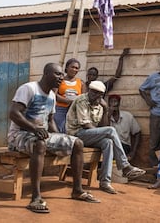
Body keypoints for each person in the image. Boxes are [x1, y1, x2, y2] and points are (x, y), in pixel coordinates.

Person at [8, 63, 99, 214]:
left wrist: (59, 136)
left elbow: (50, 121)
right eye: (57, 74)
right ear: (46, 74)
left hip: (41, 134)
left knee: (77, 143)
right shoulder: (29, 89)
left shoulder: (51, 95)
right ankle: (36, 198)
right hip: (20, 135)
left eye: (61, 75)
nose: (61, 77)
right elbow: (13, 113)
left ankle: (77, 190)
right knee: (40, 144)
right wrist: (34, 129)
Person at [66, 80, 146, 195]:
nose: (93, 95)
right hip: (76, 134)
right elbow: (85, 125)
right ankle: (125, 166)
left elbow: (103, 126)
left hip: (88, 136)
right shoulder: (82, 100)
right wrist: (101, 132)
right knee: (111, 130)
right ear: (89, 91)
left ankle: (105, 182)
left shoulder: (100, 106)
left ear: (101, 95)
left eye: (97, 93)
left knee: (108, 142)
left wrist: (105, 110)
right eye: (92, 92)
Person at [54, 58, 86, 133]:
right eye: (72, 67)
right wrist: (68, 101)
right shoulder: (60, 80)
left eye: (77, 68)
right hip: (61, 109)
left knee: (72, 131)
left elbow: (84, 98)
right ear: (67, 68)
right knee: (60, 130)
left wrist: (74, 103)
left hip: (75, 110)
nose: (74, 69)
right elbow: (54, 95)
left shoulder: (81, 83)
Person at [108, 94, 141, 162]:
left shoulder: (127, 116)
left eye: (115, 101)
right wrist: (108, 116)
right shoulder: (105, 117)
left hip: (124, 146)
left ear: (119, 104)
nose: (114, 104)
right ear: (109, 104)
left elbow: (137, 132)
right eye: (111, 102)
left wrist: (133, 152)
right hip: (111, 146)